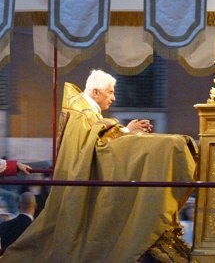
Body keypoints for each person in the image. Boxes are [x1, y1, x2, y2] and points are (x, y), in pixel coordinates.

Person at [0, 69, 197, 263]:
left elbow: (96, 143)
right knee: (171, 146)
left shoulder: (85, 111)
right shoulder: (82, 112)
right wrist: (128, 131)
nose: (113, 98)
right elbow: (96, 147)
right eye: (110, 92)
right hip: (78, 185)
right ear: (96, 92)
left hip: (79, 180)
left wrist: (127, 132)